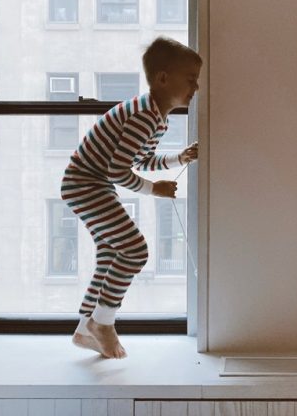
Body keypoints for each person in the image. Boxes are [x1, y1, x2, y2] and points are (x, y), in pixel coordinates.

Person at [61, 37, 201, 359]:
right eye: (190, 80)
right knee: (135, 250)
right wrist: (155, 190)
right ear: (163, 78)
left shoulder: (156, 117)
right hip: (86, 183)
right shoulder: (143, 115)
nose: (195, 88)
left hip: (90, 183)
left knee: (112, 252)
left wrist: (179, 159)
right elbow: (117, 171)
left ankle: (85, 328)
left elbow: (141, 161)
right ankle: (103, 324)